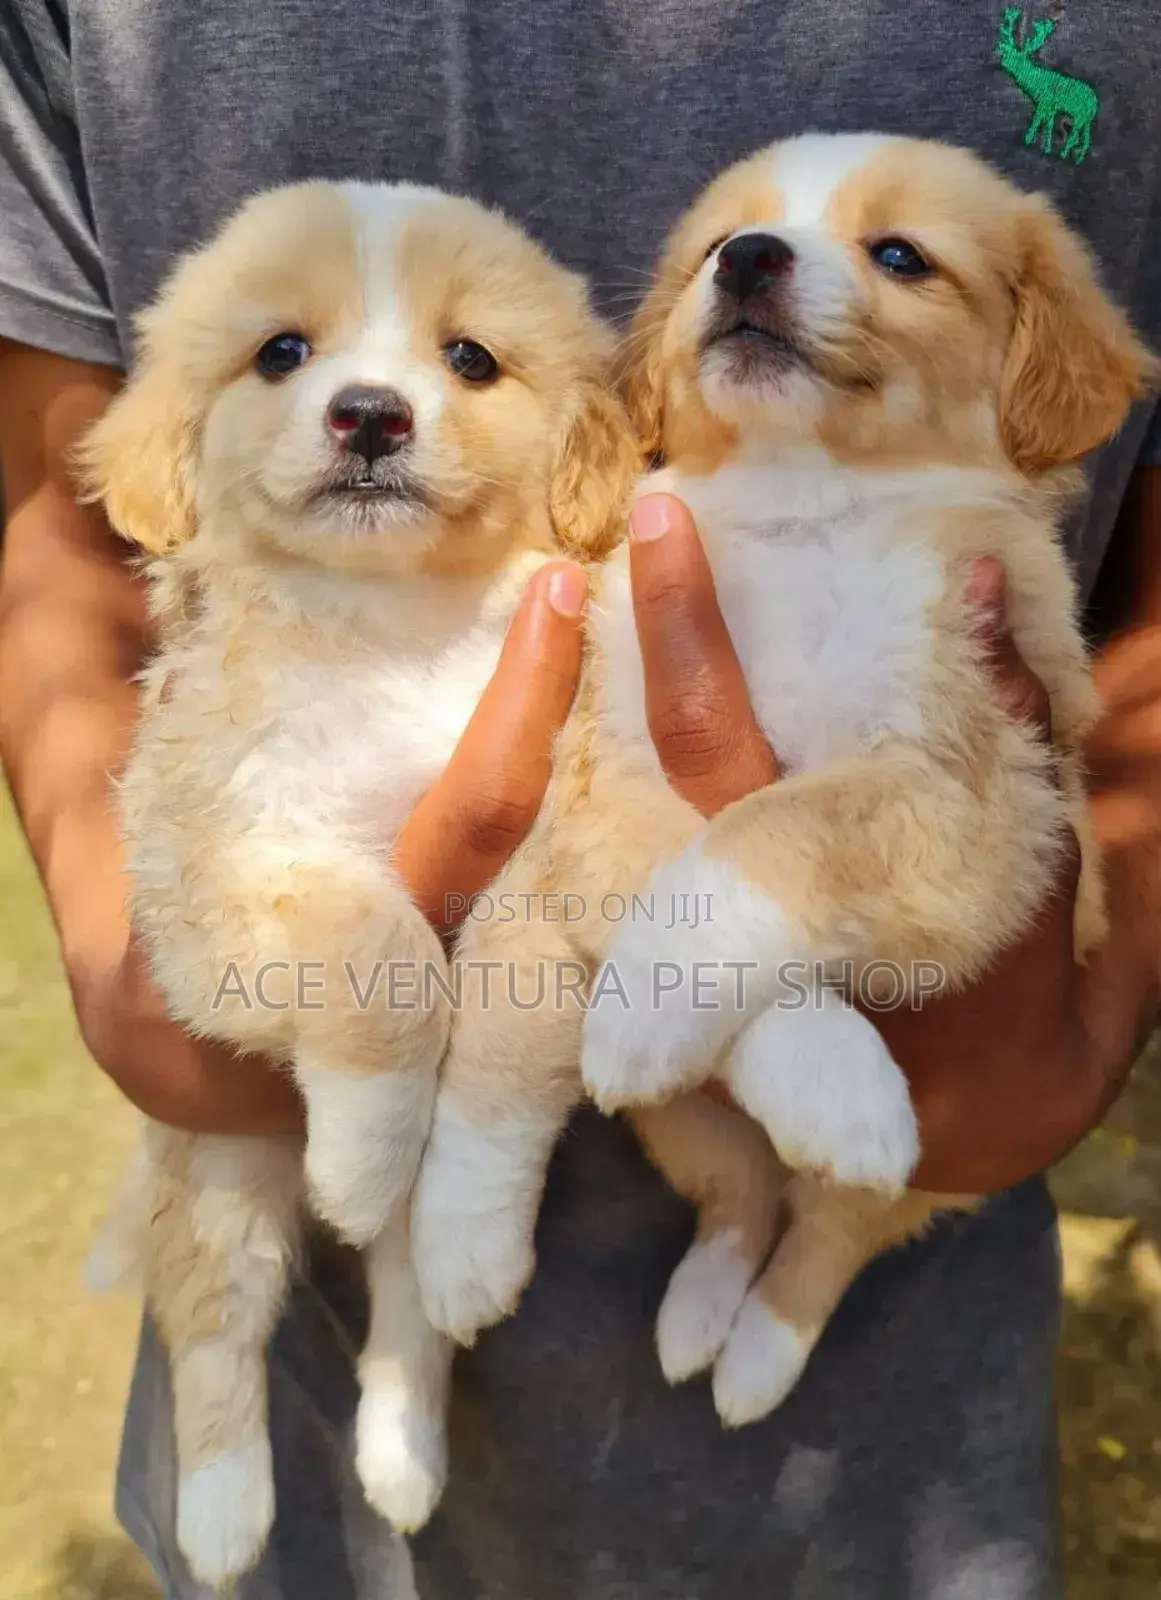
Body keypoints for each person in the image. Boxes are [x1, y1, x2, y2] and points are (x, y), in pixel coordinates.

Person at [2, 4, 1160, 1596]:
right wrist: (141, 957)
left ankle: (788, 1265)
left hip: (893, 1460)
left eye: (897, 256)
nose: (370, 395)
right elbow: (67, 494)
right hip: (325, 1345)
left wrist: (1081, 1023)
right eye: (728, 253)